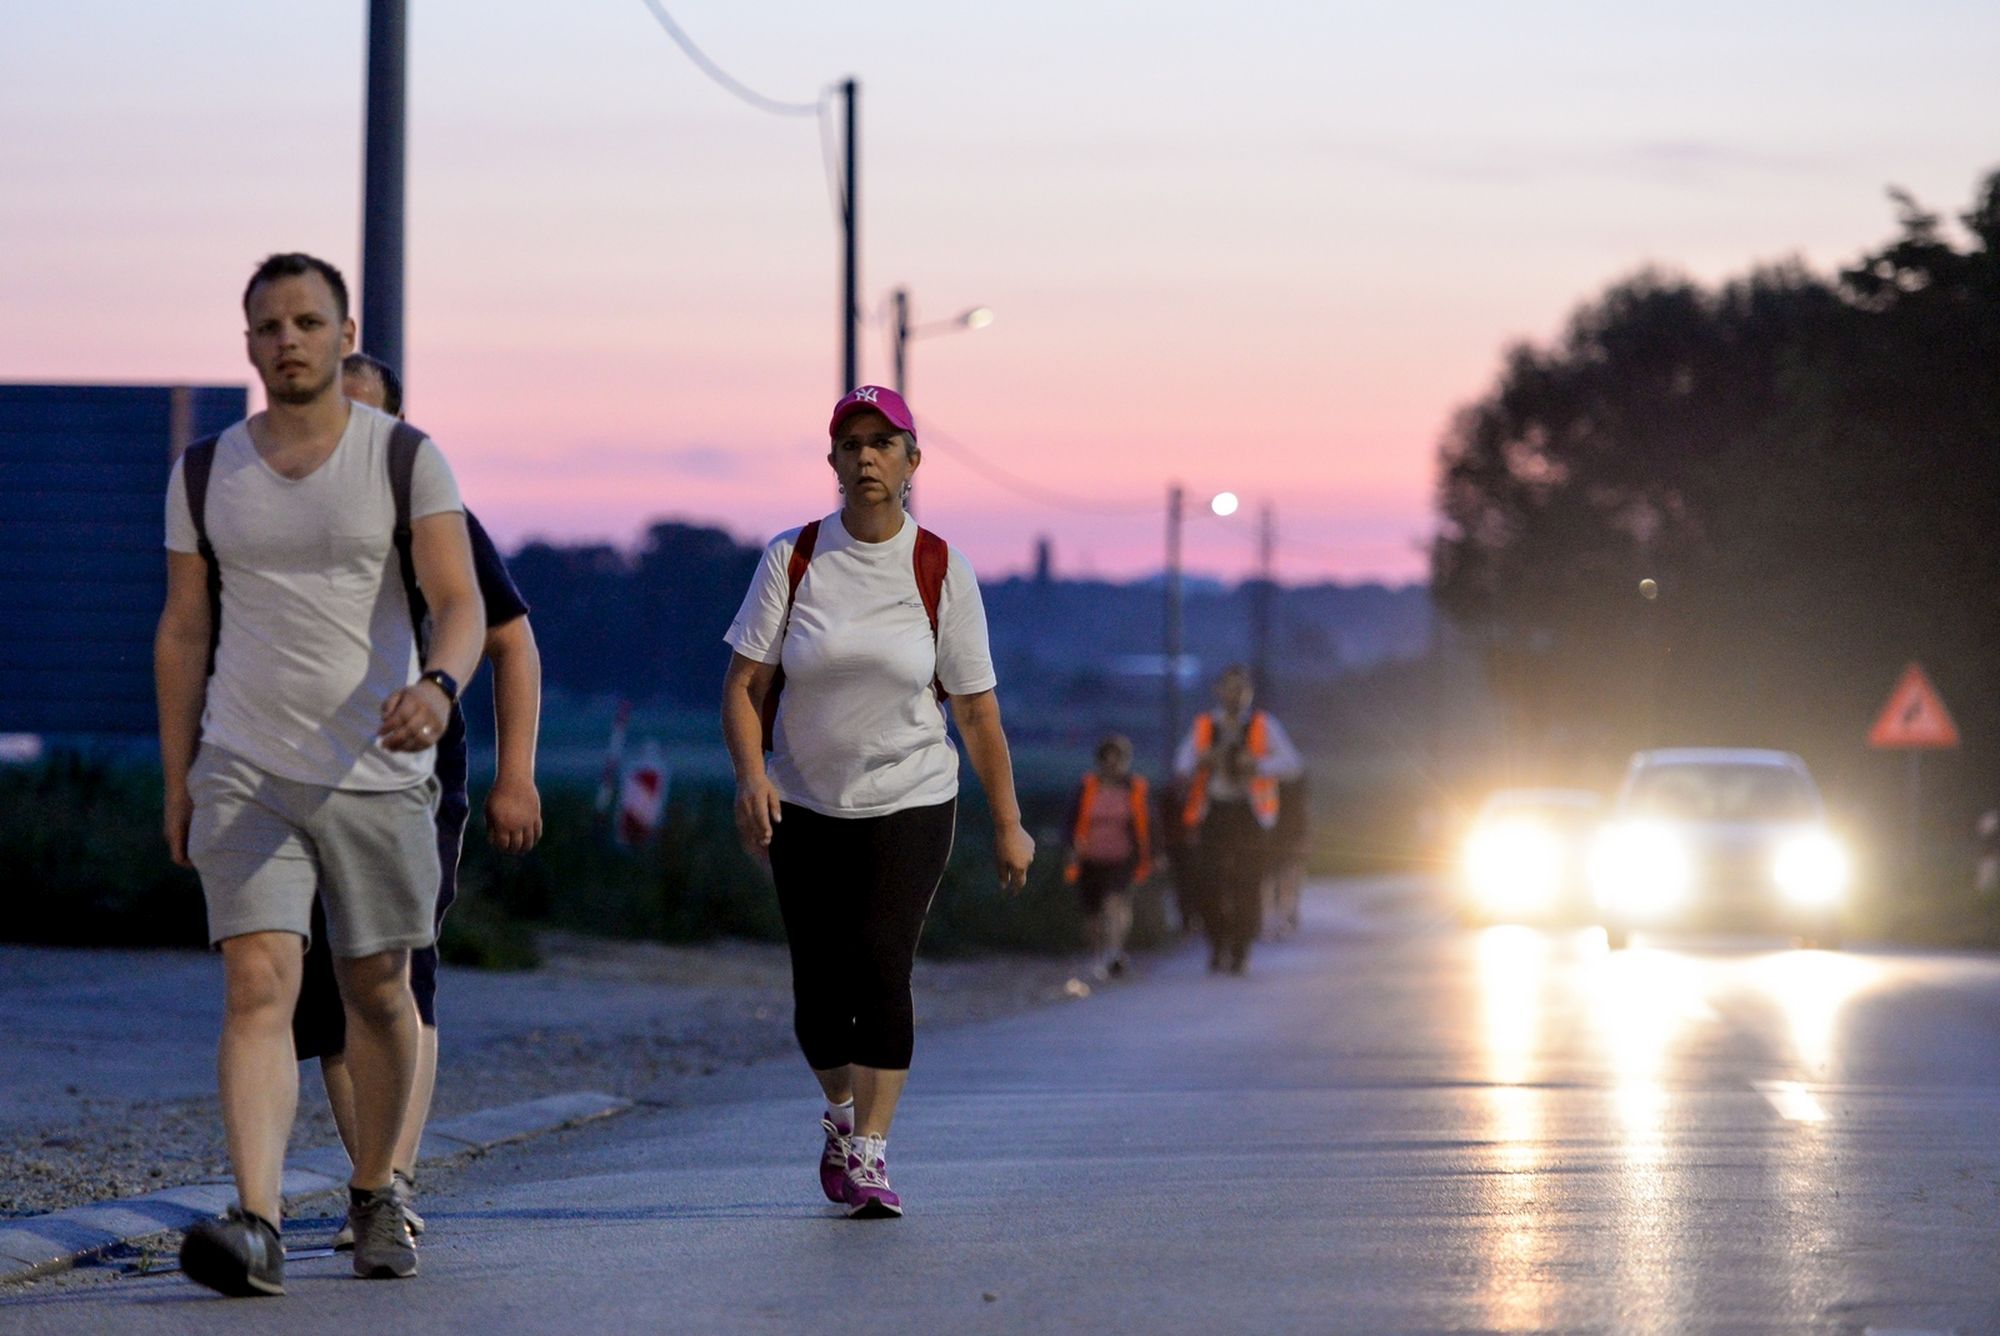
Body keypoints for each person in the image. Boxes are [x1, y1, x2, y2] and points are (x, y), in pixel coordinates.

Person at [156, 253, 485, 1294]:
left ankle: (379, 1184)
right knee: (256, 981)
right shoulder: (208, 469)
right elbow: (183, 629)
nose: (286, 340)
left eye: (306, 322)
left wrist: (436, 684)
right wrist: (181, 776)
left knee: (377, 988)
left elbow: (459, 598)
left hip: (378, 770)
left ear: (344, 335)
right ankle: (255, 1218)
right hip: (246, 764)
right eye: (267, 326)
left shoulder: (404, 458)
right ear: (247, 343)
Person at [720, 385, 1034, 1219]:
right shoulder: (794, 557)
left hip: (912, 796)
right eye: (851, 444)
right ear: (832, 462)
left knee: (882, 962)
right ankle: (841, 1115)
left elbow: (975, 708)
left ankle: (871, 1152)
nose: (866, 457)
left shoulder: (939, 567)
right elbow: (746, 684)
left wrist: (1008, 823)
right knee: (820, 993)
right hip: (803, 801)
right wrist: (752, 778)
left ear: (912, 462)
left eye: (883, 443)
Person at [292, 351, 544, 1252]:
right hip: (299, 773)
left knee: (396, 968)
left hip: (415, 775)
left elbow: (513, 646)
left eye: (367, 419)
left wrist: (516, 774)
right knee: (324, 984)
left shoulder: (439, 520)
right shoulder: (276, 516)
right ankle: (372, 1188)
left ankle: (389, 1182)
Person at [1175, 665, 1302, 975]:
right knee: (1210, 882)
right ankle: (1217, 943)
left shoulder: (1263, 725)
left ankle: (1241, 949)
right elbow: (1182, 764)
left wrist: (1257, 765)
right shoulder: (1205, 725)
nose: (1235, 695)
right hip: (1214, 810)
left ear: (1249, 693)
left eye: (1241, 689)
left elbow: (1292, 763)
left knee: (1248, 882)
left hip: (1250, 813)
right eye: (1229, 688)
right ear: (1219, 691)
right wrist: (1204, 760)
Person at [1062, 734, 1152, 980]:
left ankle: (1114, 953)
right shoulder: (1086, 787)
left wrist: (1153, 853)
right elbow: (1070, 822)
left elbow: (1148, 823)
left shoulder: (1135, 788)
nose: (1112, 765)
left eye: (1118, 760)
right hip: (1089, 858)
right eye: (1108, 760)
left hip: (1122, 858)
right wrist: (1070, 850)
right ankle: (1098, 956)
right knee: (1091, 914)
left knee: (1115, 904)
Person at [1265, 773, 1310, 940]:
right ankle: (1280, 918)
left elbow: (1301, 819)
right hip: (1276, 840)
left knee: (1286, 880)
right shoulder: (1268, 788)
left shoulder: (1293, 792)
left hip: (1288, 839)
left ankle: (1285, 916)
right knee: (1277, 882)